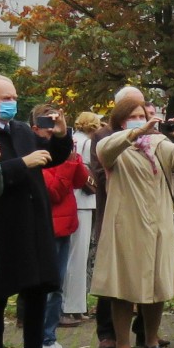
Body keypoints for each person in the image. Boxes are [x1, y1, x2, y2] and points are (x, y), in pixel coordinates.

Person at [0, 74, 75, 348]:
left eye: (15, 98)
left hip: (34, 219)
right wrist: (21, 164)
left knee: (37, 286)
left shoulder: (21, 130)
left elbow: (51, 158)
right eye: (6, 98)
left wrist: (60, 135)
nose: (12, 103)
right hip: (3, 221)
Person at [93, 98, 174, 348]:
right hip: (126, 224)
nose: (143, 119)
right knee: (124, 287)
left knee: (157, 284)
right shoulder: (116, 144)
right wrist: (134, 133)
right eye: (135, 116)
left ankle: (151, 341)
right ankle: (122, 345)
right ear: (121, 121)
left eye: (145, 115)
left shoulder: (159, 144)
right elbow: (104, 152)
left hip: (159, 223)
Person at [31, 105, 88, 348]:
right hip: (46, 226)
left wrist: (72, 156)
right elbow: (53, 189)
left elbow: (80, 181)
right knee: (47, 288)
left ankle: (48, 337)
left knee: (58, 286)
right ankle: (42, 339)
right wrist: (66, 162)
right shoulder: (37, 152)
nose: (53, 127)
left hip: (65, 226)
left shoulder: (64, 149)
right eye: (48, 122)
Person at [66, 111, 104, 329]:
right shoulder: (86, 142)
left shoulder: (73, 140)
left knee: (75, 255)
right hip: (84, 199)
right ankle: (73, 306)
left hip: (77, 200)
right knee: (78, 256)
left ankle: (75, 305)